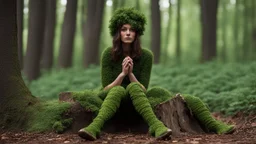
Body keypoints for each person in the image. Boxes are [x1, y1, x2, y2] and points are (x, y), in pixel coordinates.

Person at [78, 7, 235, 141]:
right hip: (113, 97)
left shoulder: (146, 56)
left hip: (138, 97)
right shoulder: (108, 54)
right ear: (118, 32)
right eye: (124, 29)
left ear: (137, 33)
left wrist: (131, 74)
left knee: (171, 95)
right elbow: (105, 89)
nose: (127, 33)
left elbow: (143, 89)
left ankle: (215, 125)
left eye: (131, 30)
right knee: (119, 89)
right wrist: (122, 74)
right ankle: (94, 127)